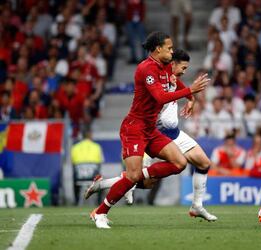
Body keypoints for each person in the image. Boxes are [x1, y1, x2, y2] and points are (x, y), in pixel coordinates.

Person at [89, 31, 209, 229]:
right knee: (133, 176)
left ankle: (121, 180)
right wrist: (190, 91)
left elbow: (174, 80)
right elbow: (160, 98)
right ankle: (100, 212)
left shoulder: (164, 68)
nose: (172, 52)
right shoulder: (146, 69)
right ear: (157, 48)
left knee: (179, 163)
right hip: (134, 128)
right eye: (169, 48)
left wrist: (190, 97)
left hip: (150, 129)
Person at [71, 129, 103, 205]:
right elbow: (99, 162)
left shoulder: (75, 147)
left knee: (74, 176)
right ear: (90, 135)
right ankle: (99, 203)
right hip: (93, 177)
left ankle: (76, 200)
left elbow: (73, 162)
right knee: (100, 180)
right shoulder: (96, 147)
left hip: (79, 177)